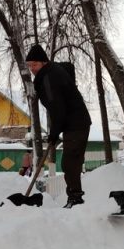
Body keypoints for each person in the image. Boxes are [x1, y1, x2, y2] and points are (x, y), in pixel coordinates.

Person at [25, 44, 92, 209]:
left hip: (75, 124)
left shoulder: (48, 78)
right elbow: (68, 67)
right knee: (71, 161)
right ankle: (75, 197)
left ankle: (75, 199)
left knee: (70, 163)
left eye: (34, 64)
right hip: (74, 123)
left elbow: (57, 108)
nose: (32, 68)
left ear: (43, 62)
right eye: (29, 65)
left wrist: (54, 133)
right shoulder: (52, 72)